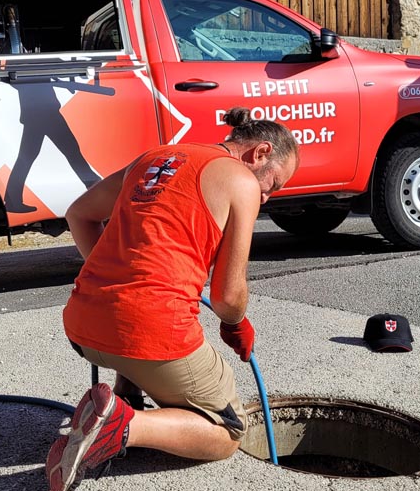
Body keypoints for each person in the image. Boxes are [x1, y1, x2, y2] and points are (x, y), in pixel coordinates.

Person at [45, 107, 300, 491]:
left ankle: (125, 395)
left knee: (137, 326)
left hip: (81, 327)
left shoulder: (155, 158)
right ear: (260, 153)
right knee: (228, 430)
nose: (265, 196)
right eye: (273, 184)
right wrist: (236, 323)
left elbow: (79, 213)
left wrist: (116, 278)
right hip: (148, 333)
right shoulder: (240, 182)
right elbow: (228, 295)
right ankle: (122, 423)